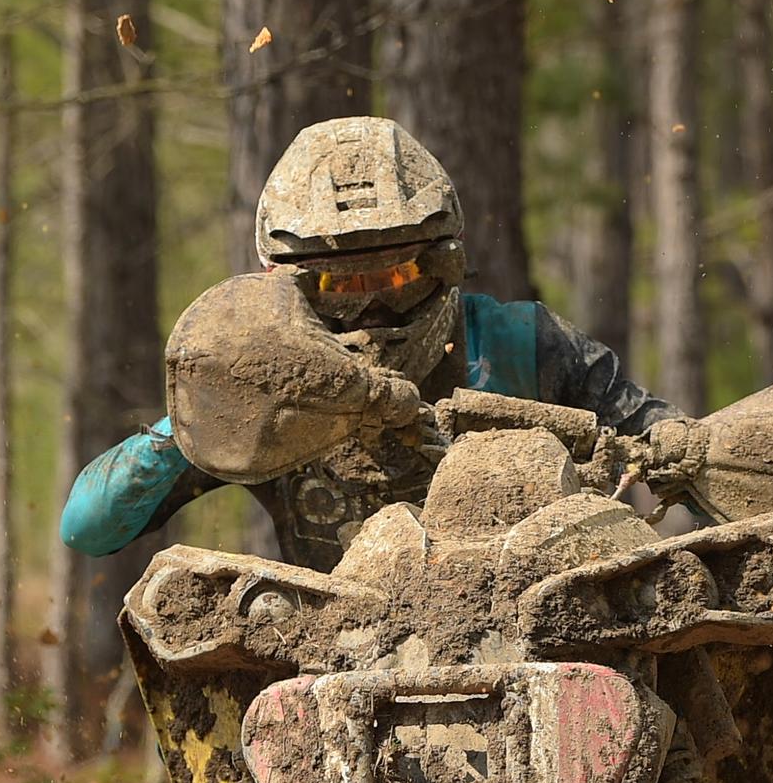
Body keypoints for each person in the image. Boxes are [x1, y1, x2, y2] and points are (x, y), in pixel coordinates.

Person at [59, 117, 686, 570]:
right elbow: (88, 526)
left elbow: (674, 445)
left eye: (395, 276)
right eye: (341, 284)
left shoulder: (520, 342)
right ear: (290, 287)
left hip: (543, 638)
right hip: (337, 657)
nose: (373, 306)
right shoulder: (274, 385)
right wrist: (202, 413)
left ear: (442, 265)